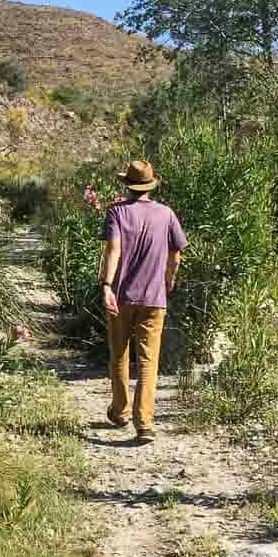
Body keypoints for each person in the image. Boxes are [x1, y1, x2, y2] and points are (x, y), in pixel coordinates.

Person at [99, 159, 186, 442]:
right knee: (149, 362)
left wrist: (107, 285)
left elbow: (113, 251)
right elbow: (176, 255)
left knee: (119, 355)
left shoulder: (117, 213)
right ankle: (145, 423)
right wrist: (168, 280)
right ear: (150, 185)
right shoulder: (166, 214)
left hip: (122, 297)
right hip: (154, 298)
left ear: (127, 185)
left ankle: (121, 411)